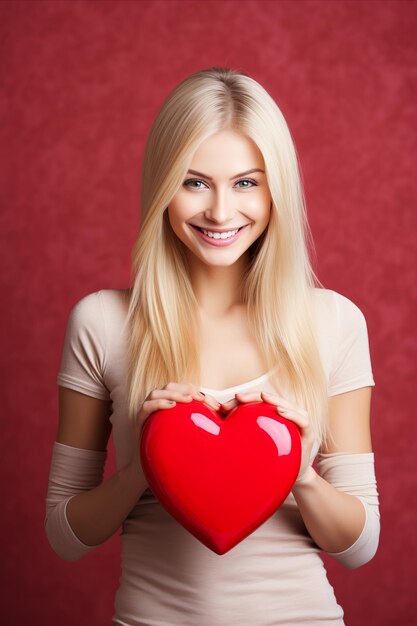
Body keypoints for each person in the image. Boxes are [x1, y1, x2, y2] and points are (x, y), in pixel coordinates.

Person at [44, 66, 380, 626]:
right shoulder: (102, 322)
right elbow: (64, 537)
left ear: (277, 190)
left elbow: (360, 545)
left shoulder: (334, 323)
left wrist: (300, 473)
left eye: (247, 182)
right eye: (194, 181)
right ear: (161, 185)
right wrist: (138, 473)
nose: (221, 212)